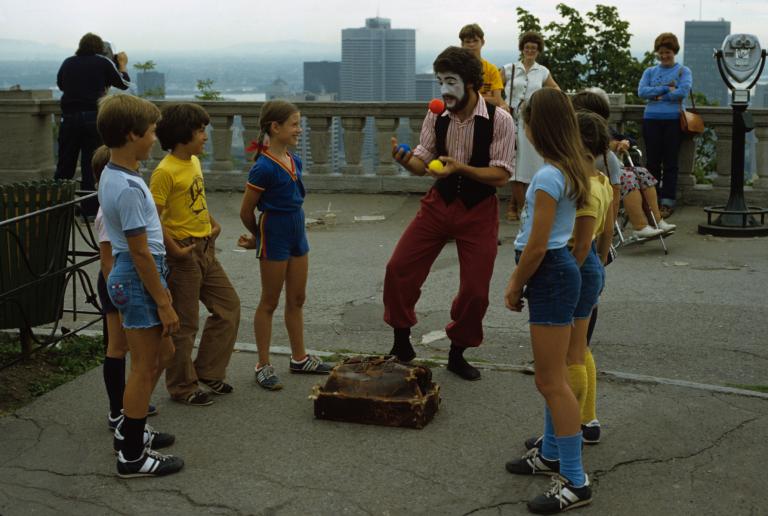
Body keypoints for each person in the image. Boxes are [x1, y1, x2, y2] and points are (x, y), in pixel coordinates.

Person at [385, 46, 515, 381]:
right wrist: (406, 161)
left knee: (475, 290)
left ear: (471, 83)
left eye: (451, 81)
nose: (444, 90)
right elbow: (422, 161)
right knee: (399, 268)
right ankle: (402, 343)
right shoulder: (437, 114)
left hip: (478, 209)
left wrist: (462, 168)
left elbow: (501, 174)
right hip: (438, 203)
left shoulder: (499, 119)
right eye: (441, 81)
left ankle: (457, 353)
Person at [503, 88, 592, 513]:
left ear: (540, 127)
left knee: (550, 380)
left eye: (527, 122)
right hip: (558, 273)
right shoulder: (572, 169)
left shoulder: (546, 177)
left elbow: (537, 245)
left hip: (548, 274)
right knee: (550, 374)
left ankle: (575, 480)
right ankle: (551, 455)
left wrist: (514, 284)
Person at [97, 94, 182, 478]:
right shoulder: (129, 188)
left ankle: (130, 430)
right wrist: (163, 302)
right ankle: (131, 455)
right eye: (150, 132)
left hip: (134, 274)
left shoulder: (117, 175)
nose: (154, 138)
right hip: (138, 274)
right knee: (146, 367)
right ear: (131, 134)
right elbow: (141, 252)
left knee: (158, 356)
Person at [150, 103, 240, 406]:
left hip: (205, 247)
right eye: (200, 131)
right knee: (185, 324)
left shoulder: (193, 162)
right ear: (182, 134)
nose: (205, 136)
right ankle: (182, 386)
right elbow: (152, 218)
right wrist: (175, 249)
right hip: (184, 252)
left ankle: (208, 371)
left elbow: (194, 199)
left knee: (228, 307)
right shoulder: (164, 171)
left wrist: (212, 224)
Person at [238, 100, 333, 391]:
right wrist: (258, 237)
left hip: (296, 231)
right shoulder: (263, 168)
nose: (299, 129)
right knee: (269, 301)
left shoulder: (294, 160)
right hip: (275, 231)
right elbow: (246, 211)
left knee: (297, 298)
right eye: (294, 124)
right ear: (275, 127)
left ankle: (299, 357)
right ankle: (263, 364)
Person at [92, 145, 160, 431]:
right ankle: (118, 410)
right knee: (118, 349)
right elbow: (108, 261)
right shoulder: (113, 207)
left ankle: (127, 404)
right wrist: (118, 300)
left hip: (115, 282)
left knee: (123, 350)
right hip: (116, 283)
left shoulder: (111, 194)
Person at [571, 89, 674, 238]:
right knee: (628, 178)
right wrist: (611, 145)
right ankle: (640, 225)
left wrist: (623, 143)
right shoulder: (579, 129)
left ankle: (657, 219)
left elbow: (627, 139)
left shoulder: (605, 128)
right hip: (598, 171)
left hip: (611, 167)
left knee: (642, 173)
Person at [56, 32, 131, 219]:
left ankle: (57, 208)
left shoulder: (68, 62)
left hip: (69, 118)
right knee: (91, 164)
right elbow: (124, 83)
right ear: (100, 49)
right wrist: (121, 65)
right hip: (92, 118)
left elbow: (61, 85)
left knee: (65, 163)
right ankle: (89, 211)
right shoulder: (103, 63)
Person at [503, 31, 560, 222]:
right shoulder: (509, 69)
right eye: (527, 47)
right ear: (522, 48)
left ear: (538, 51)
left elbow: (556, 90)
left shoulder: (542, 71)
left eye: (533, 48)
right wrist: (501, 103)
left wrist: (541, 103)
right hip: (509, 121)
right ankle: (521, 208)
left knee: (527, 165)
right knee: (514, 164)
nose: (530, 51)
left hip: (530, 122)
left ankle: (519, 206)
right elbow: (493, 88)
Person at [638, 32, 692, 219]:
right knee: (652, 162)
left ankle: (667, 202)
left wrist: (658, 95)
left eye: (667, 52)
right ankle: (652, 201)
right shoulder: (650, 71)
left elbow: (683, 91)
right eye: (660, 52)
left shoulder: (683, 71)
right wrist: (665, 89)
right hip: (651, 119)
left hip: (673, 120)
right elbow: (642, 92)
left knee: (670, 162)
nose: (664, 56)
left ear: (674, 51)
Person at [459, 24, 508, 110]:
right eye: (468, 42)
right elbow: (457, 98)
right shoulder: (458, 69)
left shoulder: (491, 69)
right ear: (462, 44)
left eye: (475, 41)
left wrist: (469, 98)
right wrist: (486, 97)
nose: (471, 45)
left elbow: (497, 100)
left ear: (482, 42)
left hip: (487, 116)